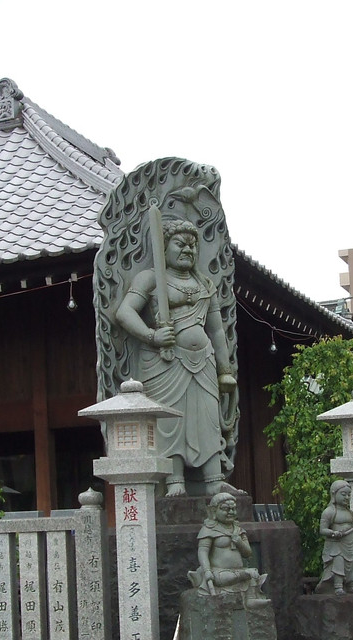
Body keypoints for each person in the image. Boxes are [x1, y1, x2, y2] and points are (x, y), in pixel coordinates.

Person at [115, 219, 235, 497]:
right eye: (180, 244)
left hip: (203, 361)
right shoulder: (151, 278)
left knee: (208, 419)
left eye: (192, 246)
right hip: (165, 362)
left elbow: (217, 330)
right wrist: (152, 335)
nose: (187, 250)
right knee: (170, 422)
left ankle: (214, 479)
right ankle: (174, 481)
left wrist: (224, 369)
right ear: (164, 247)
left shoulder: (205, 283)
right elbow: (125, 312)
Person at [188, 492, 267, 605]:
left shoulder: (238, 530)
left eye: (233, 509)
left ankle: (250, 599)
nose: (231, 512)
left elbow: (248, 553)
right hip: (219, 573)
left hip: (238, 570)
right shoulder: (209, 529)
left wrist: (239, 542)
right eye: (226, 509)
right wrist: (207, 571)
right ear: (214, 511)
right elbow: (203, 551)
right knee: (226, 577)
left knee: (253, 573)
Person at [318, 479, 353, 595]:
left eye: (349, 495)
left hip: (351, 544)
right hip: (337, 544)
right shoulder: (329, 512)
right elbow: (322, 530)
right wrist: (333, 533)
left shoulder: (351, 513)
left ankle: (351, 585)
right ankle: (338, 586)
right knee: (338, 563)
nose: (347, 497)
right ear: (334, 494)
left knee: (352, 565)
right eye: (343, 494)